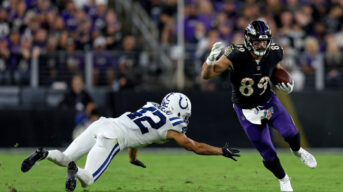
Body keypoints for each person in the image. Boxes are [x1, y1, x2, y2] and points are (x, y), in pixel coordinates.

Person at [21, 92, 240, 191]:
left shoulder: (151, 106)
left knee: (65, 156)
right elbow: (194, 147)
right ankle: (74, 170)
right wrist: (221, 151)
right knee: (87, 180)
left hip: (101, 124)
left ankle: (44, 153)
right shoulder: (172, 126)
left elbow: (138, 133)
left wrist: (133, 158)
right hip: (112, 138)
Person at [201, 19, 317, 192]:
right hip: (246, 109)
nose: (261, 45)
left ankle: (298, 151)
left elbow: (275, 68)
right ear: (248, 41)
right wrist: (210, 59)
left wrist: (285, 81)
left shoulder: (275, 51)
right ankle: (284, 180)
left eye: (264, 41)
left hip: (267, 100)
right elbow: (206, 75)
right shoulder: (235, 54)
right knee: (268, 153)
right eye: (257, 41)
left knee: (290, 132)